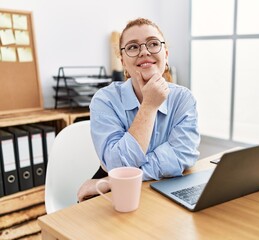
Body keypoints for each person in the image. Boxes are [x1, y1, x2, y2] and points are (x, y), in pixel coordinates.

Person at [77, 18, 200, 202]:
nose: (144, 51)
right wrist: (149, 106)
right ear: (123, 62)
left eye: (153, 43)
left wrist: (113, 180)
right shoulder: (105, 100)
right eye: (133, 47)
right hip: (111, 196)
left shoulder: (184, 99)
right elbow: (117, 164)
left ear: (165, 55)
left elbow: (183, 154)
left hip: (155, 191)